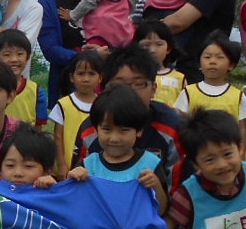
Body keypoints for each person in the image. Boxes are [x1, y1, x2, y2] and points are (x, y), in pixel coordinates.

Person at [71, 46, 185, 192]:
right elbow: (77, 182)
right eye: (119, 84)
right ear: (105, 88)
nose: (129, 91)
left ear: (154, 88)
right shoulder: (91, 128)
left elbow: (178, 189)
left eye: (138, 84)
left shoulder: (171, 126)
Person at [65, 85, 167, 214]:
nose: (114, 138)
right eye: (107, 129)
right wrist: (71, 180)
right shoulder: (88, 165)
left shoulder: (150, 165)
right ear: (96, 129)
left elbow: (161, 211)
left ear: (139, 130)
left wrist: (156, 186)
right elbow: (73, 206)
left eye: (124, 130)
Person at [37, 0, 91, 99]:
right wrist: (89, 60)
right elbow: (50, 49)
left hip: (101, 82)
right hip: (65, 85)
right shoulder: (46, 4)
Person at [180, 31, 246, 151]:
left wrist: (241, 155)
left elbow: (242, 129)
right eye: (207, 57)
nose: (212, 61)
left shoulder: (238, 96)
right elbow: (181, 123)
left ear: (231, 65)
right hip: (197, 152)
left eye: (220, 57)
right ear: (199, 63)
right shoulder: (188, 93)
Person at [50, 49, 104, 178]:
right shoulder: (64, 104)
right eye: (81, 73)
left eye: (91, 74)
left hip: (97, 168)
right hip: (68, 168)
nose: (86, 79)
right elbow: (58, 137)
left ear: (100, 77)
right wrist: (62, 164)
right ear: (71, 77)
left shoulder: (104, 104)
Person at [0, 30, 46, 129]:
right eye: (7, 55)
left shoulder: (36, 91)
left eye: (20, 54)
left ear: (27, 57)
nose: (14, 59)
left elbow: (38, 129)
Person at [134, 19, 185, 109]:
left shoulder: (180, 78)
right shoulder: (132, 75)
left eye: (159, 44)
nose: (152, 50)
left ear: (168, 48)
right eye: (146, 45)